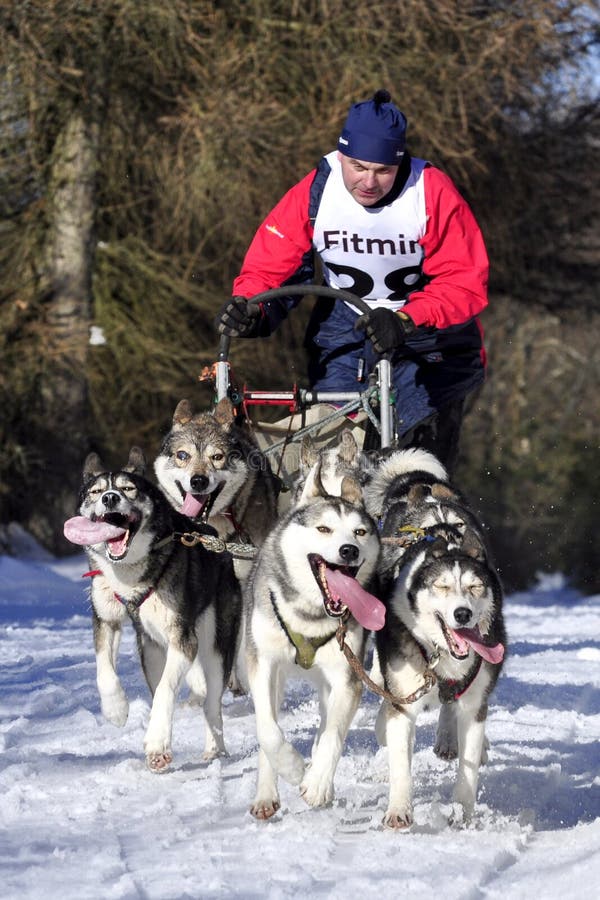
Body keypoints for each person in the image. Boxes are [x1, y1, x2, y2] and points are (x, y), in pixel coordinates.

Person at [215, 89, 489, 472]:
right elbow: (273, 264)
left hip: (427, 334)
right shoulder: (316, 190)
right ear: (341, 155)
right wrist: (251, 307)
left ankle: (422, 520)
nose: (369, 182)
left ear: (400, 164)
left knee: (414, 460)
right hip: (348, 327)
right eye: (358, 167)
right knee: (335, 448)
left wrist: (407, 319)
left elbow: (463, 281)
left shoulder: (430, 191)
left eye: (383, 171)